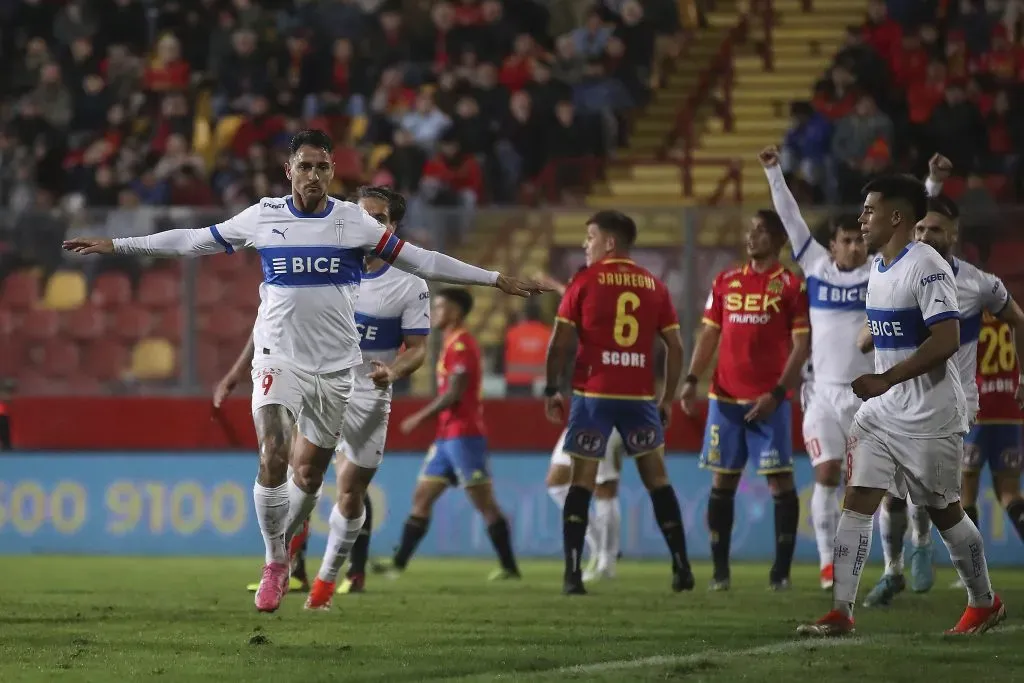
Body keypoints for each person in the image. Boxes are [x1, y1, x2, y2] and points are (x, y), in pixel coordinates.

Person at [62, 129, 545, 613]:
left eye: (322, 167)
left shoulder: (353, 222)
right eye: (305, 166)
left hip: (336, 369)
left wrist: (494, 278)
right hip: (278, 357)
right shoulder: (264, 216)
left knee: (310, 478)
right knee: (273, 451)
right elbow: (192, 241)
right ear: (287, 170)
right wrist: (117, 244)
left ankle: (308, 563)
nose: (313, 175)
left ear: (332, 172)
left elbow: (424, 261)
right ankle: (276, 562)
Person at [797, 175, 1005, 637]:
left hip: (931, 413)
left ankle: (984, 601)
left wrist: (886, 375)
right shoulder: (879, 266)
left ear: (896, 217)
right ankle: (841, 612)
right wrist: (874, 343)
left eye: (869, 210)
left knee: (944, 510)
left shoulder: (926, 265)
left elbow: (947, 339)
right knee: (858, 501)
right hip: (884, 412)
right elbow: (894, 328)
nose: (861, 218)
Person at [214, 186, 430, 606]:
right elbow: (270, 322)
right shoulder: (323, 254)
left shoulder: (409, 283)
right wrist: (239, 371)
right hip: (314, 377)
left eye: (380, 219)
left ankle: (326, 582)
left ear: (392, 227)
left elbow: (418, 347)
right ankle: (281, 566)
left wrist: (395, 369)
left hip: (369, 391)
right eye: (363, 214)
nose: (369, 224)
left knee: (351, 491)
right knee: (303, 474)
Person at [862, 170, 1024, 606]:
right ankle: (897, 567)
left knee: (936, 496)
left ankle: (938, 564)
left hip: (955, 402)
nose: (927, 234)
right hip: (898, 399)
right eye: (921, 228)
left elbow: (1015, 321)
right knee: (894, 491)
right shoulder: (899, 270)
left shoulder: (977, 283)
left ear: (954, 232)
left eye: (936, 228)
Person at [545, 210, 694, 595]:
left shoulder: (585, 280)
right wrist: (667, 398)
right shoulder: (653, 285)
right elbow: (675, 347)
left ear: (609, 242)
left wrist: (550, 388)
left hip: (594, 396)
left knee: (582, 483)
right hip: (638, 398)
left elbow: (560, 343)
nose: (585, 244)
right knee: (657, 481)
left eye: (590, 236)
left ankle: (573, 574)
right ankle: (681, 567)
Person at [682, 209, 811, 591]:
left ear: (778, 239)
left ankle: (781, 573)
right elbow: (708, 336)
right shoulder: (725, 281)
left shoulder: (791, 286)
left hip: (768, 402)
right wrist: (691, 378)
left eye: (760, 231)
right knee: (723, 482)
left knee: (780, 483)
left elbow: (802, 345)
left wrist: (777, 393)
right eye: (749, 230)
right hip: (724, 399)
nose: (751, 237)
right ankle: (720, 573)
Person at [760, 145, 871, 590]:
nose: (855, 245)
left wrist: (933, 185)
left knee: (865, 488)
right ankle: (828, 563)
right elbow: (789, 216)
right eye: (847, 239)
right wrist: (773, 170)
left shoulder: (880, 272)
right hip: (823, 392)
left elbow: (917, 233)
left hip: (869, 396)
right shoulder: (816, 268)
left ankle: (883, 566)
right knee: (826, 472)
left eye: (860, 239)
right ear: (833, 245)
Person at [372, 288, 521, 580]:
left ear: (455, 311)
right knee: (421, 497)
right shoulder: (450, 343)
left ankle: (509, 567)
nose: (435, 313)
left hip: (464, 437)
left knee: (484, 502)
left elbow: (454, 393)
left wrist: (418, 416)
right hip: (446, 438)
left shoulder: (462, 345)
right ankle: (398, 565)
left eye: (440, 308)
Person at [540, 271, 624, 583]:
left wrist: (559, 287)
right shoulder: (597, 311)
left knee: (603, 487)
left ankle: (606, 562)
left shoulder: (603, 317)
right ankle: (601, 550)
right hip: (585, 407)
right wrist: (557, 286)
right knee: (558, 480)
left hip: (608, 403)